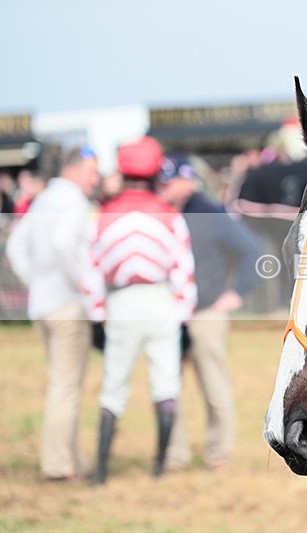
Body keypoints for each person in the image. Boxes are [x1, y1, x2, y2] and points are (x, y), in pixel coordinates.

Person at [81, 136, 196, 484]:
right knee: (165, 383)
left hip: (121, 302)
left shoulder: (102, 215)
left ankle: (100, 471)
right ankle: (159, 467)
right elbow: (184, 272)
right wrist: (183, 317)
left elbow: (90, 272)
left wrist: (97, 316)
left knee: (114, 384)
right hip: (161, 301)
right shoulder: (170, 216)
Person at [157, 154, 262, 470]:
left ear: (187, 181)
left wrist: (236, 293)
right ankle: (174, 454)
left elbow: (251, 249)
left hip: (206, 314)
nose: (163, 186)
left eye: (169, 180)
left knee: (213, 386)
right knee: (166, 386)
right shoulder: (159, 214)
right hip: (169, 314)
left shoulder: (209, 212)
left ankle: (218, 453)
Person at [5, 146, 100, 481]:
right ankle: (58, 465)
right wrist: (81, 285)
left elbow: (15, 246)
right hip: (67, 305)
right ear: (74, 170)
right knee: (66, 387)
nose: (96, 178)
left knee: (64, 384)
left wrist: (36, 282)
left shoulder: (44, 199)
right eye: (92, 170)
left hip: (43, 305)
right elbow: (63, 244)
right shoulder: (73, 201)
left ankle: (71, 460)